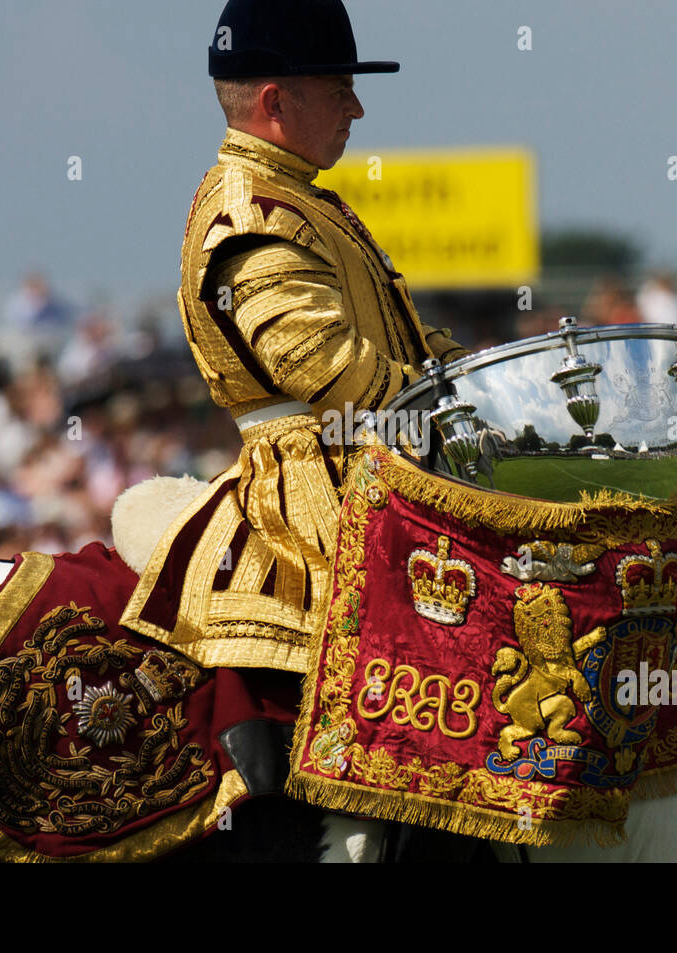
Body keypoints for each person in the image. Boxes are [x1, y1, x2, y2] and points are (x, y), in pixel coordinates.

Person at [121, 0, 468, 676]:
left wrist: (497, 384)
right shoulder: (254, 209)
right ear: (275, 102)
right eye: (340, 89)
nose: (357, 108)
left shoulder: (298, 196)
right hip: (319, 485)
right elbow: (328, 370)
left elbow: (411, 345)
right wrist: (460, 409)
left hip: (368, 459)